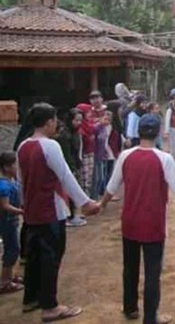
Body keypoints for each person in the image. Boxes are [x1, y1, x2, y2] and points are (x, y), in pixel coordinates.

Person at [101, 114, 175, 324]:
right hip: (152, 224)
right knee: (152, 272)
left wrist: (101, 204)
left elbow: (111, 187)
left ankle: (130, 307)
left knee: (130, 267)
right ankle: (151, 316)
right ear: (156, 132)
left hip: (130, 222)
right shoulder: (164, 159)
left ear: (139, 132)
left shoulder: (125, 156)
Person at [17, 102, 100, 322]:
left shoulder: (23, 146)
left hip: (32, 211)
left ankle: (31, 298)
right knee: (51, 258)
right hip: (50, 210)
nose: (56, 124)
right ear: (48, 122)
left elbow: (20, 181)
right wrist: (85, 202)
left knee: (34, 257)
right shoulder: (50, 146)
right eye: (54, 120)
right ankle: (50, 305)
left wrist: (24, 206)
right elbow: (65, 176)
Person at [54, 109, 86, 228]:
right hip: (67, 167)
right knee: (69, 191)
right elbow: (67, 154)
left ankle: (73, 213)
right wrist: (72, 168)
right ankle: (70, 216)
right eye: (76, 120)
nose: (78, 123)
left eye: (80, 120)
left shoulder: (75, 132)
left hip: (74, 164)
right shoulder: (64, 135)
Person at [0, 151, 23, 294]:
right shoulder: (4, 186)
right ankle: (4, 281)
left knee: (13, 248)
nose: (17, 167)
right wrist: (21, 212)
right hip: (6, 222)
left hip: (11, 221)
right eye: (15, 164)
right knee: (12, 249)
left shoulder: (10, 182)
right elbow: (5, 206)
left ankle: (8, 276)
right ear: (7, 167)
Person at [93, 111, 121, 198]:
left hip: (106, 154)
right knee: (99, 177)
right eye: (105, 119)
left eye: (109, 120)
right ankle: (97, 195)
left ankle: (102, 193)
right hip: (98, 155)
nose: (107, 121)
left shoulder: (110, 128)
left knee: (104, 175)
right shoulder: (97, 128)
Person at [75, 103, 97, 199]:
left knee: (89, 177)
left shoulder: (89, 125)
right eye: (88, 112)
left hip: (91, 153)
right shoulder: (80, 129)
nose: (90, 114)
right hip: (83, 155)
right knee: (83, 177)